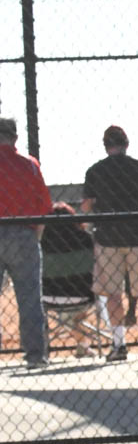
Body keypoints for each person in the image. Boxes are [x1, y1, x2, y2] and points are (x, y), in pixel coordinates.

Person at [82, 125, 138, 361]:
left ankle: (119, 346)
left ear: (106, 146)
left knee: (113, 294)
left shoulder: (95, 171)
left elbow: (86, 206)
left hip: (108, 239)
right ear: (126, 144)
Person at [0, 116, 53, 367]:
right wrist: (36, 236)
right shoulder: (29, 165)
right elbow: (44, 206)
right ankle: (35, 355)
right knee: (30, 296)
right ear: (15, 138)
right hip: (23, 232)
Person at [41, 202, 97, 358]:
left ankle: (80, 344)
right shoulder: (85, 238)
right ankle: (83, 344)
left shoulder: (42, 241)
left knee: (67, 313)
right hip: (83, 296)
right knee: (73, 313)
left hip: (47, 297)